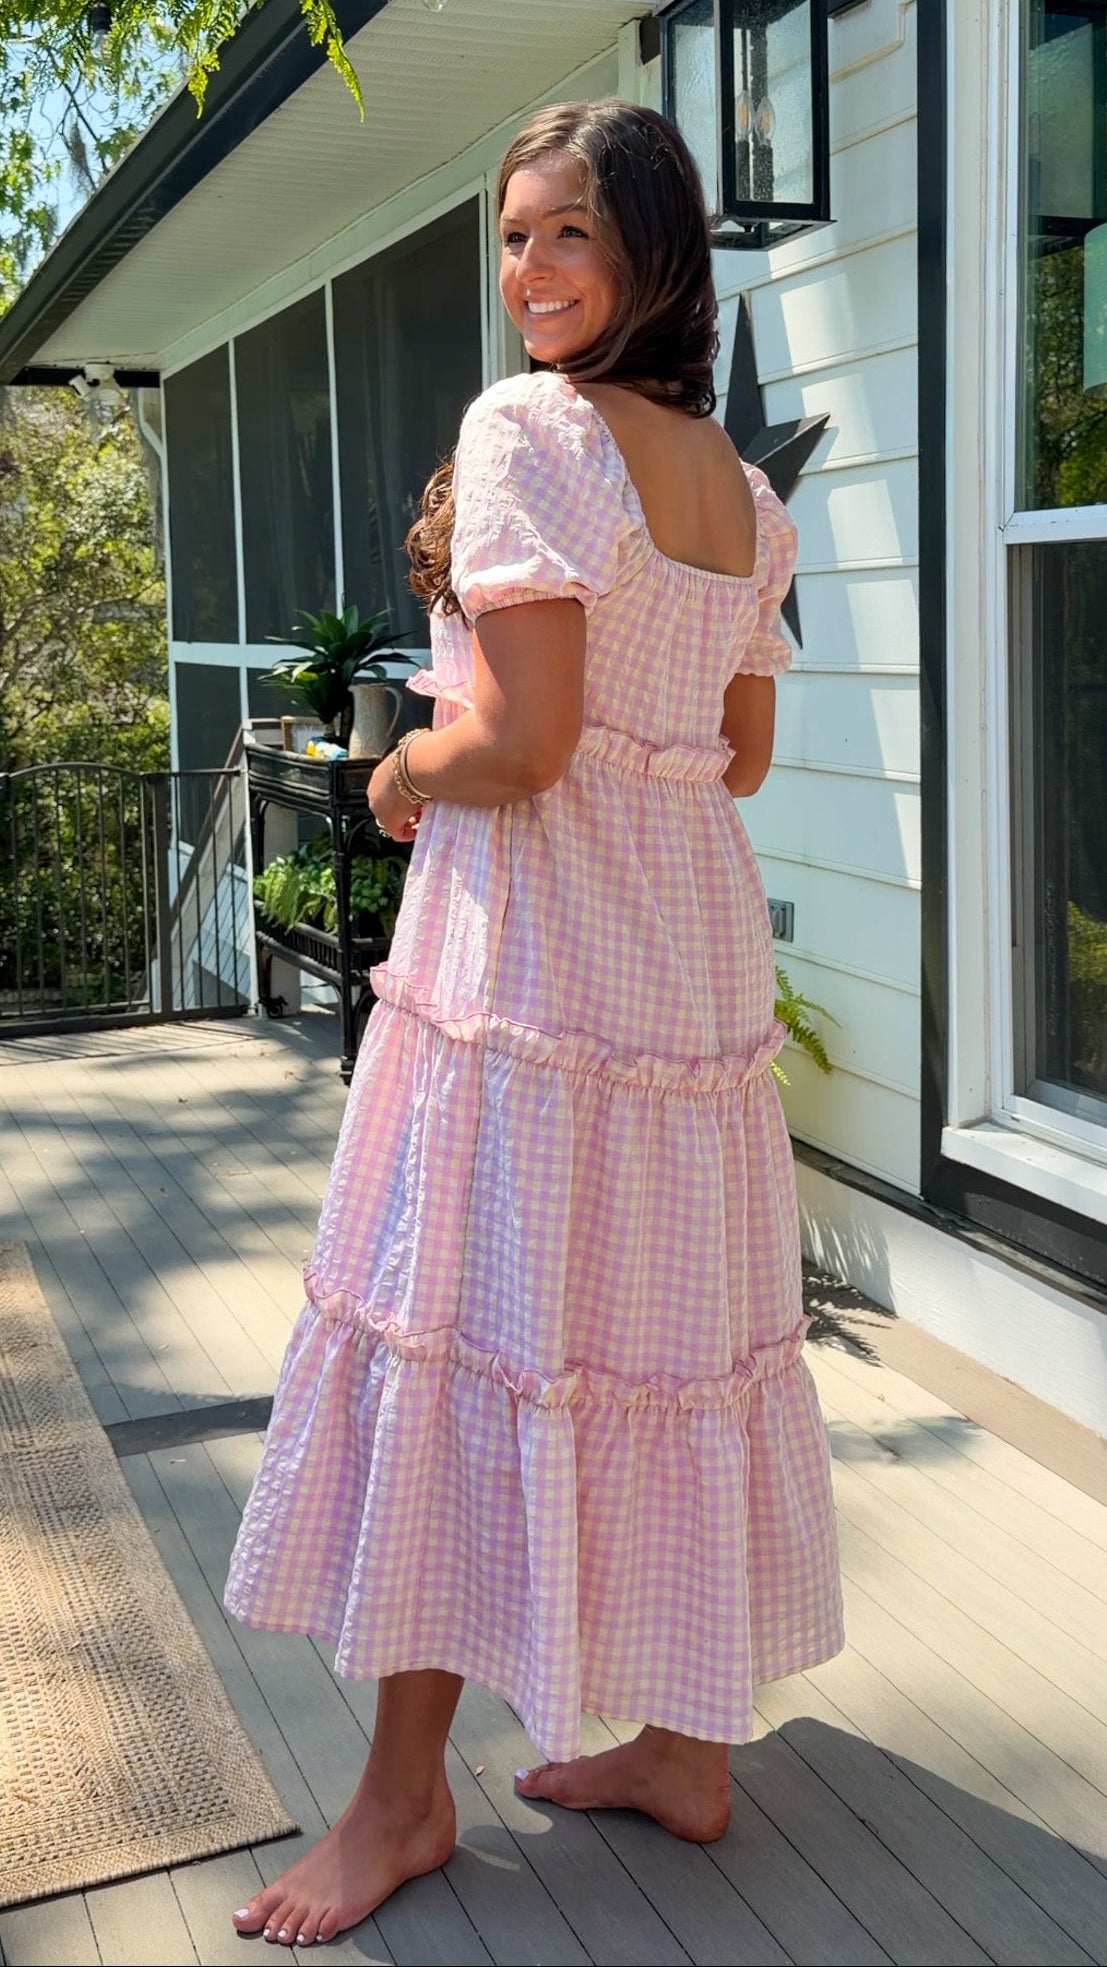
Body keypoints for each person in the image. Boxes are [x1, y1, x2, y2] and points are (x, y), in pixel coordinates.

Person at [225, 97, 844, 1949]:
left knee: (468, 1335)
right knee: (661, 1335)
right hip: (688, 976)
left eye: (568, 232)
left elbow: (531, 745)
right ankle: (679, 1744)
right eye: (511, 238)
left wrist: (412, 764)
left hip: (539, 970)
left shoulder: (527, 432)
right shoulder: (745, 491)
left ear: (654, 252)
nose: (529, 274)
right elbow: (731, 758)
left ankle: (402, 1801)